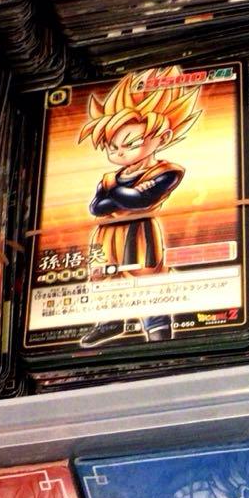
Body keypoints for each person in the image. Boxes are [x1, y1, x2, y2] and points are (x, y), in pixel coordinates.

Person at [76, 66, 202, 346]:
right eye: (112, 147)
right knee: (103, 276)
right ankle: (109, 322)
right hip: (106, 234)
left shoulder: (167, 171)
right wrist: (122, 195)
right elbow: (96, 207)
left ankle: (157, 329)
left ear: (162, 138)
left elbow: (140, 200)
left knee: (146, 278)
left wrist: (120, 196)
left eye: (130, 143)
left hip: (140, 233)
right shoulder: (110, 177)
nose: (120, 152)